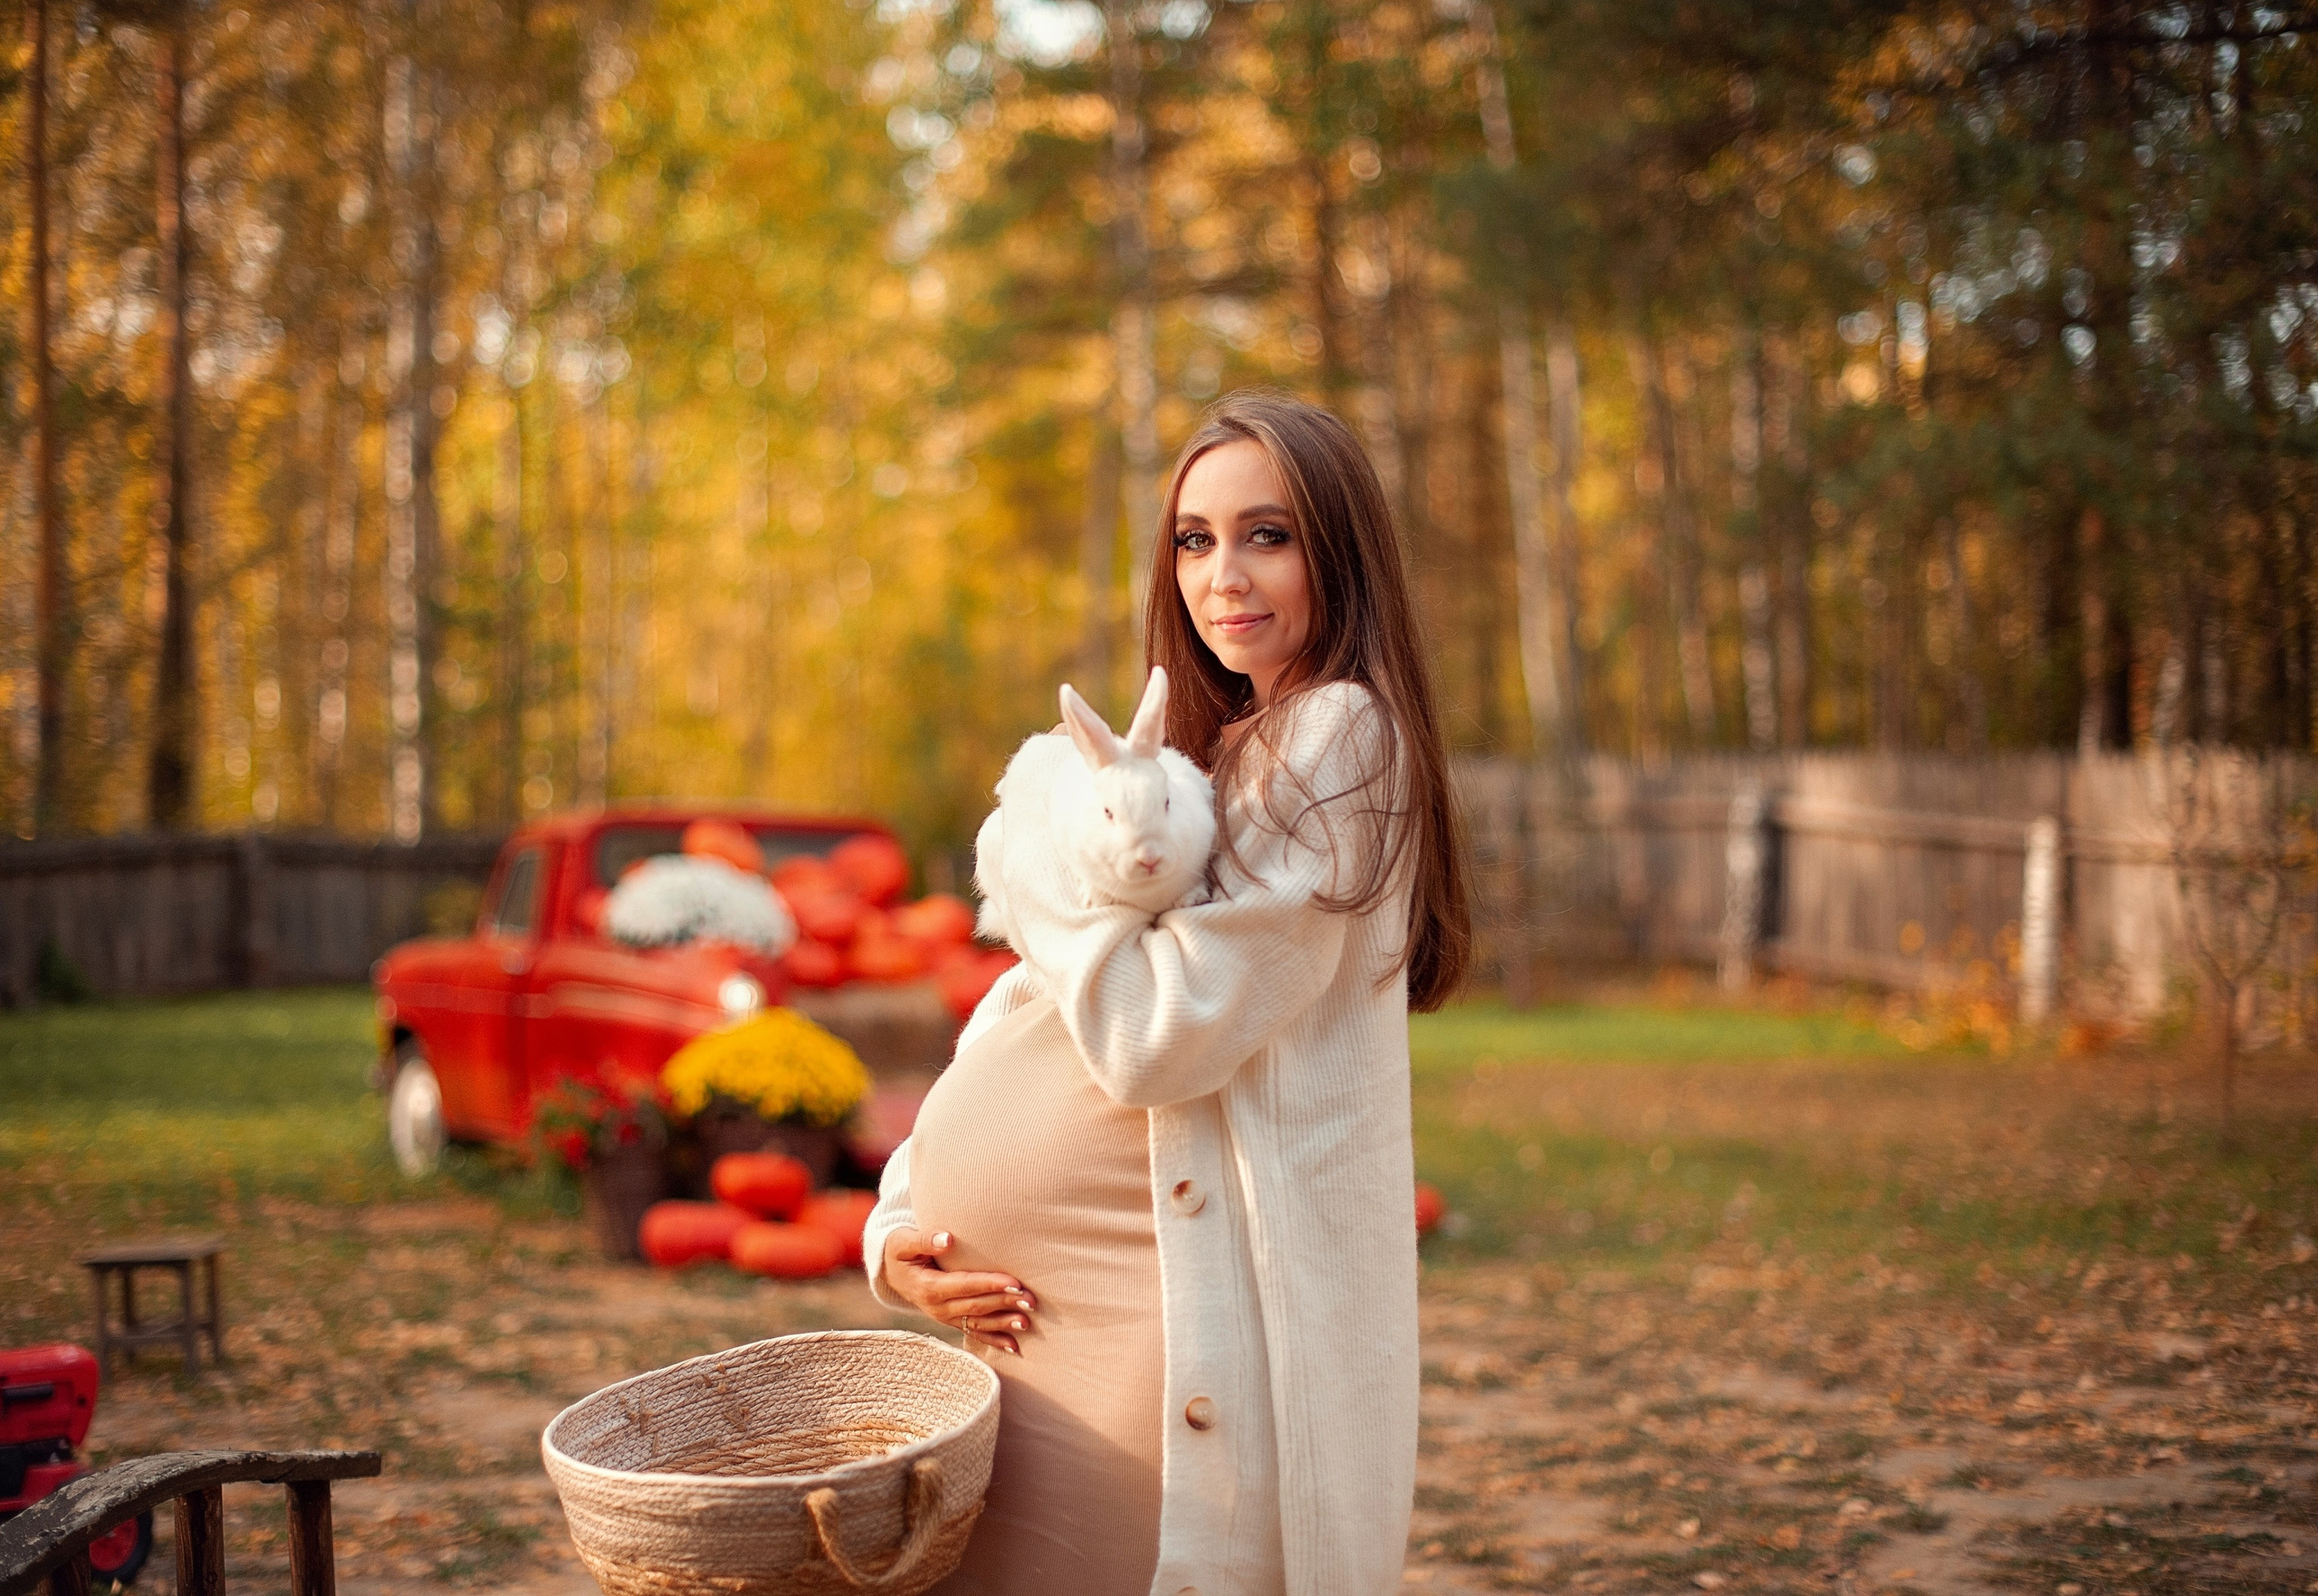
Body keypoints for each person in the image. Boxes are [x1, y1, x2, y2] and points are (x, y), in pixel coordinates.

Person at [864, 388, 1470, 1596]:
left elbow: (1151, 1040)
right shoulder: (1208, 758)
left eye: (1268, 534)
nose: (1223, 576)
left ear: (1340, 553)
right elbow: (1022, 1015)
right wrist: (899, 1229)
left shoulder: (1338, 734)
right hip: (1034, 1342)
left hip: (1155, 1352)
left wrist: (1027, 858)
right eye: (1194, 540)